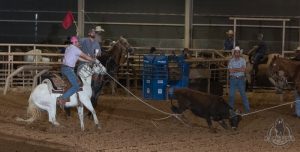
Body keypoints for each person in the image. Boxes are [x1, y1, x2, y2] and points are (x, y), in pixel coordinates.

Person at [57, 36, 96, 107]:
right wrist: (92, 60)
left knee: (76, 82)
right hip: (68, 70)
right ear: (74, 42)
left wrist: (87, 61)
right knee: (76, 86)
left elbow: (79, 58)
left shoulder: (68, 48)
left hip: (64, 69)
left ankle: (73, 98)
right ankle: (62, 98)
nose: (78, 43)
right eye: (77, 42)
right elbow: (85, 56)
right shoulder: (75, 49)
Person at [228, 46, 250, 113]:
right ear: (234, 53)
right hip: (233, 79)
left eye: (238, 52)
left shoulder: (243, 60)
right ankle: (230, 110)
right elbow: (230, 71)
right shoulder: (231, 61)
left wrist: (234, 69)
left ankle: (247, 110)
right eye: (236, 52)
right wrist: (239, 69)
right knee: (231, 95)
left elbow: (243, 70)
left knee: (243, 94)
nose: (237, 53)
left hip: (240, 79)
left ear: (239, 53)